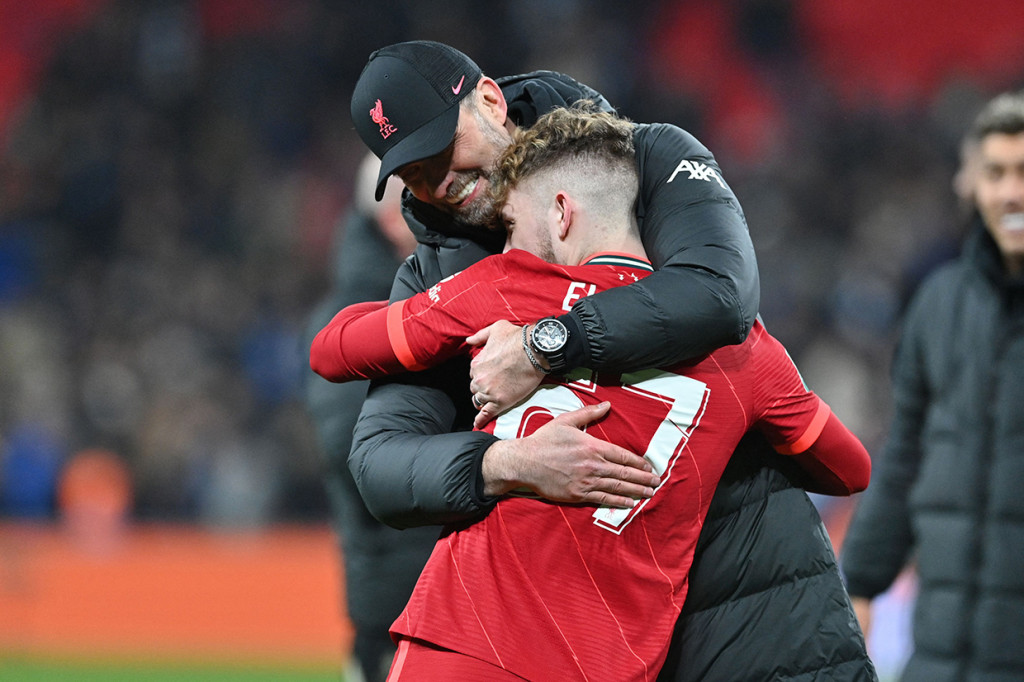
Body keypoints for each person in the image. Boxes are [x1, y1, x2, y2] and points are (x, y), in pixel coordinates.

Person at [347, 40, 876, 680]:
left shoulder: (647, 161)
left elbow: (718, 293)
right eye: (412, 173)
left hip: (747, 594)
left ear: (488, 99)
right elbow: (378, 461)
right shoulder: (436, 276)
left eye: (439, 149)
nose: (438, 182)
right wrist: (503, 463)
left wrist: (545, 343)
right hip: (580, 635)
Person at [840, 90, 1024, 681]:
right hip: (939, 658)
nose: (1012, 193)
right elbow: (905, 457)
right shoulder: (937, 304)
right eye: (995, 173)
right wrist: (862, 583)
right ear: (969, 183)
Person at [302, 152, 438, 682]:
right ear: (389, 215)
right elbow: (353, 453)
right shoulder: (356, 316)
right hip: (396, 598)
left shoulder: (413, 294)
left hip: (416, 588)